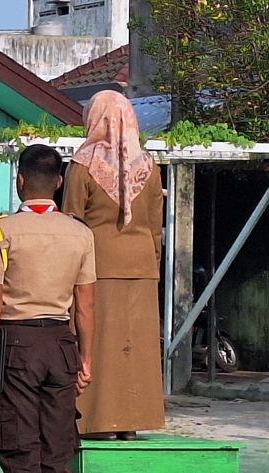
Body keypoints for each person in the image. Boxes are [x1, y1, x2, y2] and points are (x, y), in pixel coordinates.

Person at [0, 144, 96, 473]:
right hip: (61, 346)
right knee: (58, 448)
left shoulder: (0, 230)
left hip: (16, 348)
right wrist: (85, 360)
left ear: (20, 181)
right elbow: (85, 305)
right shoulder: (81, 234)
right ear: (58, 183)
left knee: (18, 447)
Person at [62, 90, 165, 440]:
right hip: (141, 268)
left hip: (96, 266)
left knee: (97, 344)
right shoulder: (149, 167)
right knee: (136, 347)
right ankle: (132, 423)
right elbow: (155, 226)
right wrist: (151, 263)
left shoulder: (83, 164)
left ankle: (97, 423)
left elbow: (71, 221)